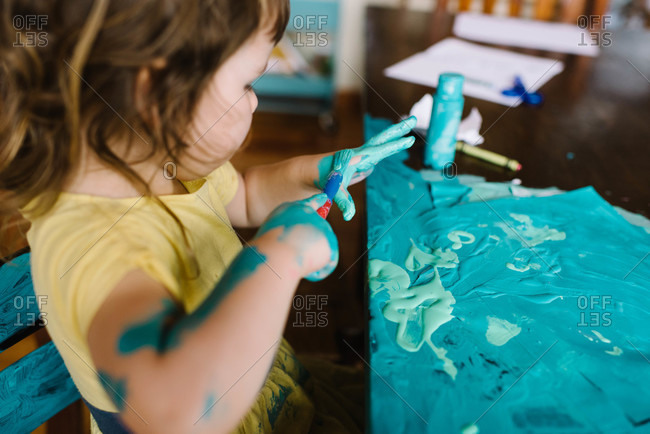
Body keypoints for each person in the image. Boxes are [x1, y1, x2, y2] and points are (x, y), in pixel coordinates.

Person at [0, 0, 416, 432]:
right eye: (246, 84)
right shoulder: (93, 246)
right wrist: (275, 257)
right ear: (154, 93)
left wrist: (320, 171)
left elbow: (248, 195)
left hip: (279, 393)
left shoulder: (162, 161)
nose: (254, 102)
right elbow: (174, 413)